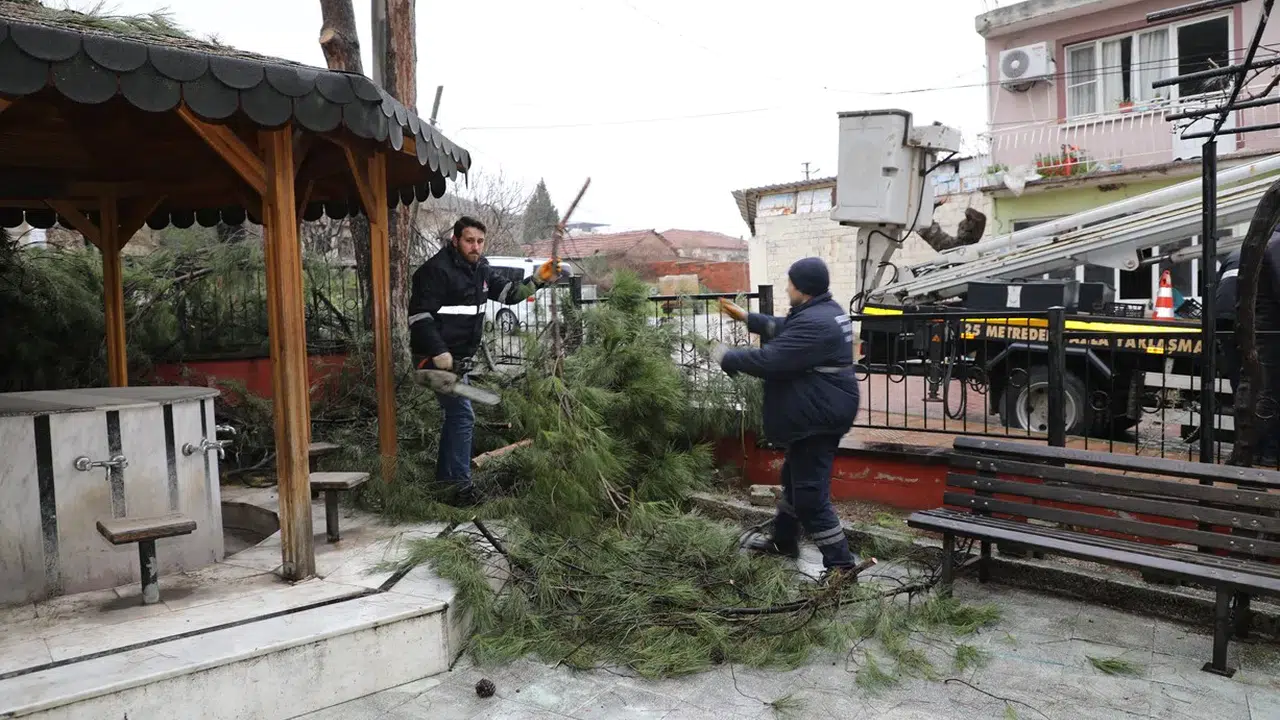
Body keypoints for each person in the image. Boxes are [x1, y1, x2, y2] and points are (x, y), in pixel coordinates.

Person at [713, 257, 862, 580]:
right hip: (819, 411)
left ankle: (841, 567)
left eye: (791, 283)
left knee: (810, 497)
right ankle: (783, 541)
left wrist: (728, 357)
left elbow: (773, 359)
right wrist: (748, 318)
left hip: (817, 418)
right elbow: (785, 329)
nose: (787, 288)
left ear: (803, 288)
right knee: (794, 480)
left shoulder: (815, 322)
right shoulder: (825, 311)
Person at [408, 216, 560, 505]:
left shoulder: (482, 269)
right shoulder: (435, 271)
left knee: (457, 416)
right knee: (462, 416)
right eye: (469, 241)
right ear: (455, 240)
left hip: (458, 361)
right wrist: (438, 351)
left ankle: (446, 483)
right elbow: (419, 316)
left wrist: (539, 279)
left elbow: (510, 294)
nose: (475, 246)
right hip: (433, 358)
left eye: (479, 241)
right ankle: (460, 488)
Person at [1215, 233, 1280, 464]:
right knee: (1265, 391)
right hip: (1257, 329)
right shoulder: (1273, 247)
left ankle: (1247, 451)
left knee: (1245, 388)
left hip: (1227, 323)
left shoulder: (1239, 253)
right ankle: (1265, 452)